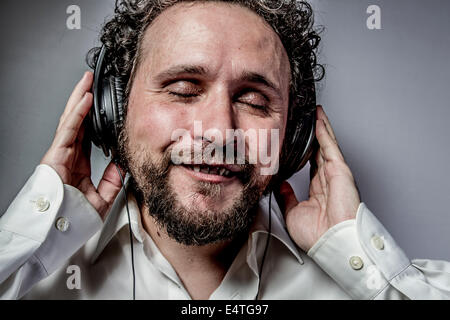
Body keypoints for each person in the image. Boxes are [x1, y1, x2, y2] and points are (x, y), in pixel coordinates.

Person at [0, 0, 449, 300]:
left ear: (293, 134)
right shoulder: (31, 278)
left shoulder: (367, 282)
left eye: (254, 101)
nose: (218, 131)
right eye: (182, 89)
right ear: (112, 110)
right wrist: (37, 224)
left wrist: (360, 260)